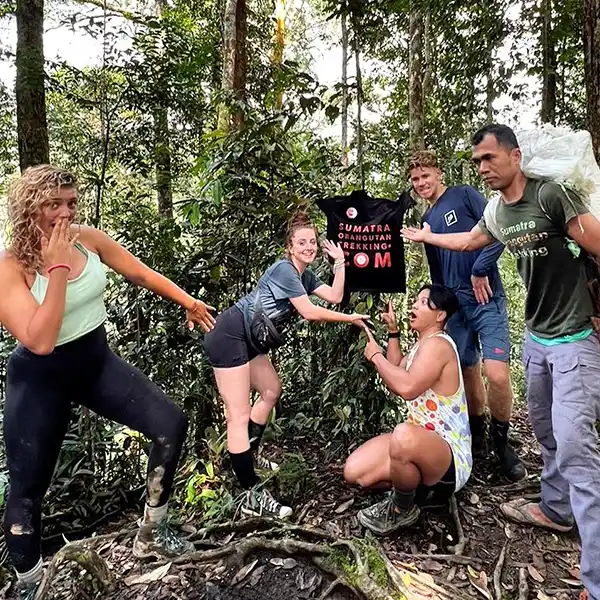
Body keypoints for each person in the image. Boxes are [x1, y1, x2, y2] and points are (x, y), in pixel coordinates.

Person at [402, 124, 600, 600]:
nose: (484, 168)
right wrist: (421, 236)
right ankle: (555, 508)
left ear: (515, 156)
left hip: (576, 338)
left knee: (577, 450)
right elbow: (470, 241)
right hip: (537, 336)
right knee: (547, 431)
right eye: (478, 162)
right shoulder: (496, 210)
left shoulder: (551, 196)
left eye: (490, 158)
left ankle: (595, 582)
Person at [0, 165, 216, 599]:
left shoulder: (89, 238)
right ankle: (28, 584)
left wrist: (187, 301)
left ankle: (153, 531)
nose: (65, 213)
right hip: (40, 379)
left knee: (169, 424)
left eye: (71, 203)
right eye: (53, 204)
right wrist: (58, 266)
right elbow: (40, 340)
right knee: (27, 490)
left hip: (94, 361)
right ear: (30, 208)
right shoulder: (12, 266)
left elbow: (138, 272)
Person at [203, 212, 368, 519]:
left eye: (312, 242)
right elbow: (310, 312)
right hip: (230, 334)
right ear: (289, 248)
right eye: (301, 242)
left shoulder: (304, 276)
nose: (309, 247)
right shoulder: (284, 270)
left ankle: (247, 453)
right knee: (237, 416)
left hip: (250, 341)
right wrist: (350, 319)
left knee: (270, 390)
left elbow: (334, 296)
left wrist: (341, 262)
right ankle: (251, 495)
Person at [408, 150, 525, 482]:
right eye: (415, 179)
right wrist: (438, 310)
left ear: (439, 173)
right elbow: (436, 272)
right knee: (466, 371)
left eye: (425, 176)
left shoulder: (464, 194)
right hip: (455, 307)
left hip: (486, 298)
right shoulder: (426, 222)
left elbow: (498, 230)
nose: (421, 183)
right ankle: (476, 438)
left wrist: (479, 269)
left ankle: (502, 444)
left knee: (498, 375)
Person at [344, 286, 472, 536]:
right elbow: (397, 371)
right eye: (416, 300)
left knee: (402, 435)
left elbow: (407, 387)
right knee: (354, 472)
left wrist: (375, 357)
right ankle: (417, 487)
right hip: (418, 443)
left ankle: (402, 509)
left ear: (440, 316)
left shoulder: (439, 345)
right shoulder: (421, 345)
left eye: (424, 303)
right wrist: (393, 332)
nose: (414, 306)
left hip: (448, 457)